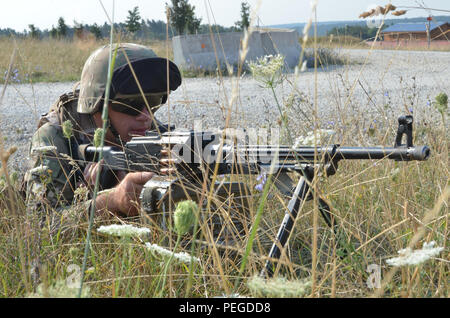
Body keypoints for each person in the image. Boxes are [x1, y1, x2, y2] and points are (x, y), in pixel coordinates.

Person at [24, 43, 182, 230]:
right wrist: (110, 201)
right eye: (131, 104)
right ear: (97, 105)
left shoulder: (156, 134)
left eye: (153, 102)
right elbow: (40, 226)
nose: (146, 116)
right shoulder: (54, 139)